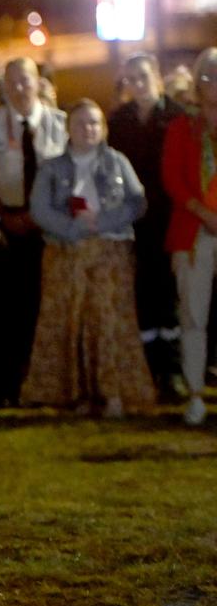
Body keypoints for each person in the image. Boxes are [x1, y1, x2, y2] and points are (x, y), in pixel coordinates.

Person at [22, 99, 154, 417]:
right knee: (72, 322)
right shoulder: (52, 168)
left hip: (111, 251)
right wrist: (71, 229)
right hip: (65, 253)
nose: (88, 129)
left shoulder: (117, 162)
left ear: (103, 128)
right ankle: (75, 393)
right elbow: (39, 209)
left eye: (94, 123)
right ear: (69, 129)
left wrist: (106, 221)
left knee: (109, 322)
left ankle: (113, 393)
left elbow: (137, 202)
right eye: (81, 123)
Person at [0, 57, 68, 406]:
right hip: (7, 226)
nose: (19, 88)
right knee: (8, 308)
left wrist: (41, 215)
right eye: (11, 81)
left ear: (38, 82)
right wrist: (3, 215)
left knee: (46, 306)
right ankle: (8, 383)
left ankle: (47, 382)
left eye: (25, 80)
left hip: (49, 228)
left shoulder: (60, 124)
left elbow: (69, 176)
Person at [107, 53, 188, 400]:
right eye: (129, 79)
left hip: (170, 216)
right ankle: (146, 369)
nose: (136, 84)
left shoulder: (176, 117)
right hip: (133, 219)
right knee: (141, 294)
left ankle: (171, 370)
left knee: (168, 295)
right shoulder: (120, 120)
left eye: (142, 76)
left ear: (156, 75)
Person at [162, 48, 217, 425]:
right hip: (193, 232)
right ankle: (195, 393)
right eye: (207, 77)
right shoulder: (183, 126)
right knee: (193, 315)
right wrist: (203, 213)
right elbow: (172, 178)